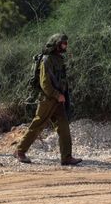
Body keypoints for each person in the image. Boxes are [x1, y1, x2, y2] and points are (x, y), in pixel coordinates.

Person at [14, 33, 82, 166]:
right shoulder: (47, 60)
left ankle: (66, 157)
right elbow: (45, 83)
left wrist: (63, 95)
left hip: (58, 100)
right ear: (57, 44)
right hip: (48, 99)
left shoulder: (59, 59)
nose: (65, 45)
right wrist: (57, 95)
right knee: (37, 125)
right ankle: (20, 151)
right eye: (63, 43)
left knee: (64, 128)